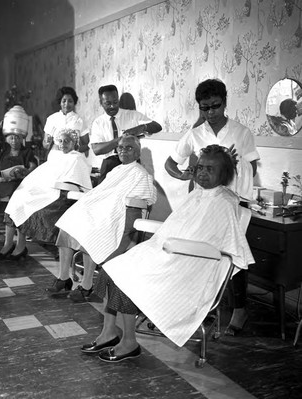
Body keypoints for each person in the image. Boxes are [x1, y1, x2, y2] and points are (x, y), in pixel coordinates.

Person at [84, 145, 254, 363]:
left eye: (210, 169)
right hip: (172, 256)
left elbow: (217, 249)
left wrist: (165, 252)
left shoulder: (222, 203)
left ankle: (129, 343)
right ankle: (109, 332)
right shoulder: (198, 195)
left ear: (224, 174)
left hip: (187, 268)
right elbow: (178, 229)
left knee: (126, 277)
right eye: (199, 167)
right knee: (112, 268)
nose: (202, 172)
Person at [164, 79, 260, 336]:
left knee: (232, 254)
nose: (211, 113)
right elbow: (171, 163)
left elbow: (254, 168)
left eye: (215, 106)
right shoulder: (195, 134)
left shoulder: (241, 132)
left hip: (233, 202)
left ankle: (239, 310)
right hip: (205, 204)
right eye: (205, 108)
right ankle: (203, 306)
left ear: (225, 102)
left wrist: (234, 166)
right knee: (201, 253)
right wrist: (184, 176)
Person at [50, 135, 157, 302]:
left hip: (121, 217)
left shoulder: (141, 174)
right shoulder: (116, 170)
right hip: (103, 212)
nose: (123, 151)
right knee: (68, 225)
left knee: (92, 232)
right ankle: (63, 277)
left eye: (129, 148)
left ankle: (86, 286)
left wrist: (110, 207)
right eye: (120, 147)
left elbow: (147, 199)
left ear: (137, 153)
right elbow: (102, 193)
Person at [0, 129, 92, 261]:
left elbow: (75, 182)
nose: (63, 143)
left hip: (61, 194)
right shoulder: (57, 157)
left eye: (67, 141)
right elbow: (42, 175)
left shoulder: (77, 158)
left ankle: (20, 247)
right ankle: (9, 244)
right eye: (60, 141)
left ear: (74, 143)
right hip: (47, 189)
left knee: (27, 206)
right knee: (17, 200)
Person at [90, 84, 162, 183]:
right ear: (101, 103)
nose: (113, 106)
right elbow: (96, 150)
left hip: (131, 162)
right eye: (108, 103)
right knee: (103, 196)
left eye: (115, 102)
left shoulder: (132, 115)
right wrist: (120, 140)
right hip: (109, 163)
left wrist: (140, 128)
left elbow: (157, 126)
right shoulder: (98, 123)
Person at [0, 108, 38, 237]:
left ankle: (15, 224)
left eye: (17, 138)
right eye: (11, 138)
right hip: (3, 181)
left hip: (19, 183)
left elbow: (33, 167)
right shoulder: (3, 152)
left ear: (21, 138)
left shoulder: (27, 152)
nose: (14, 141)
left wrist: (24, 171)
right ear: (7, 139)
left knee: (13, 189)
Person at [42, 87, 90, 160]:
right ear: (60, 102)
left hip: (73, 157)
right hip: (56, 157)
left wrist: (75, 150)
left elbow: (87, 144)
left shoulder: (79, 120)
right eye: (64, 101)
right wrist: (47, 142)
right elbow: (45, 145)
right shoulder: (51, 119)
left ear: (74, 103)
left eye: (70, 101)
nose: (66, 104)